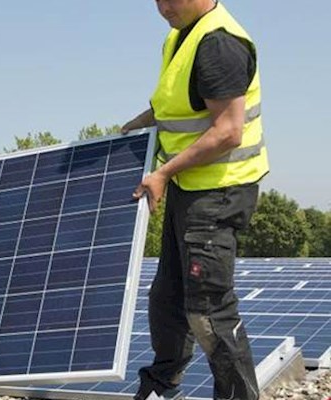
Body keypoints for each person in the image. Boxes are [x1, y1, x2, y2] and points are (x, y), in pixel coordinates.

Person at [121, 1, 269, 399]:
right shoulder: (181, 35)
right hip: (192, 188)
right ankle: (161, 386)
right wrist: (139, 124)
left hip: (219, 191)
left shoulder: (219, 43)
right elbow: (177, 104)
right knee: (167, 298)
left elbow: (228, 131)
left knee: (207, 309)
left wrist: (164, 173)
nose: (163, 7)